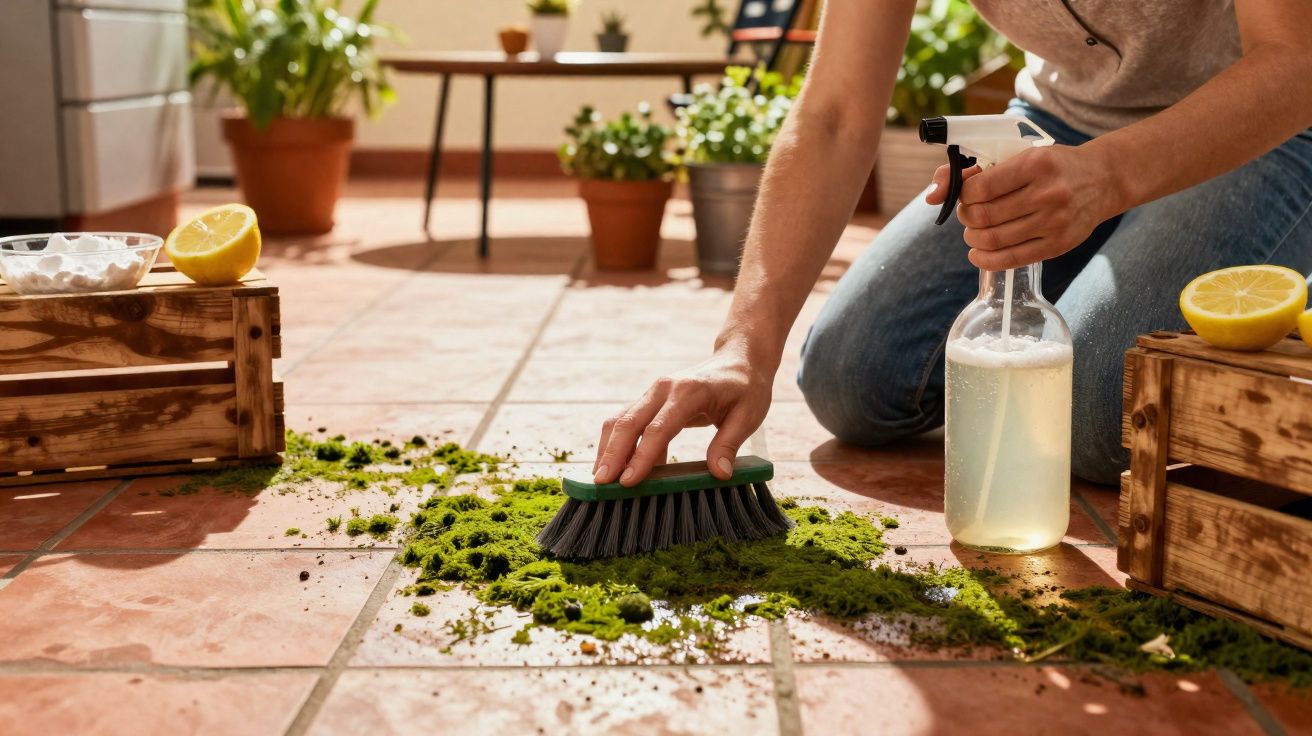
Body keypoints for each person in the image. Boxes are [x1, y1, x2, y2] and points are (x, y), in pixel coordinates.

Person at [591, 0, 1312, 488]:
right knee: (851, 378)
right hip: (1063, 119)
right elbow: (836, 113)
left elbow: (1295, 58)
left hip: (1268, 127)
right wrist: (742, 346)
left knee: (1101, 413)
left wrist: (1109, 178)